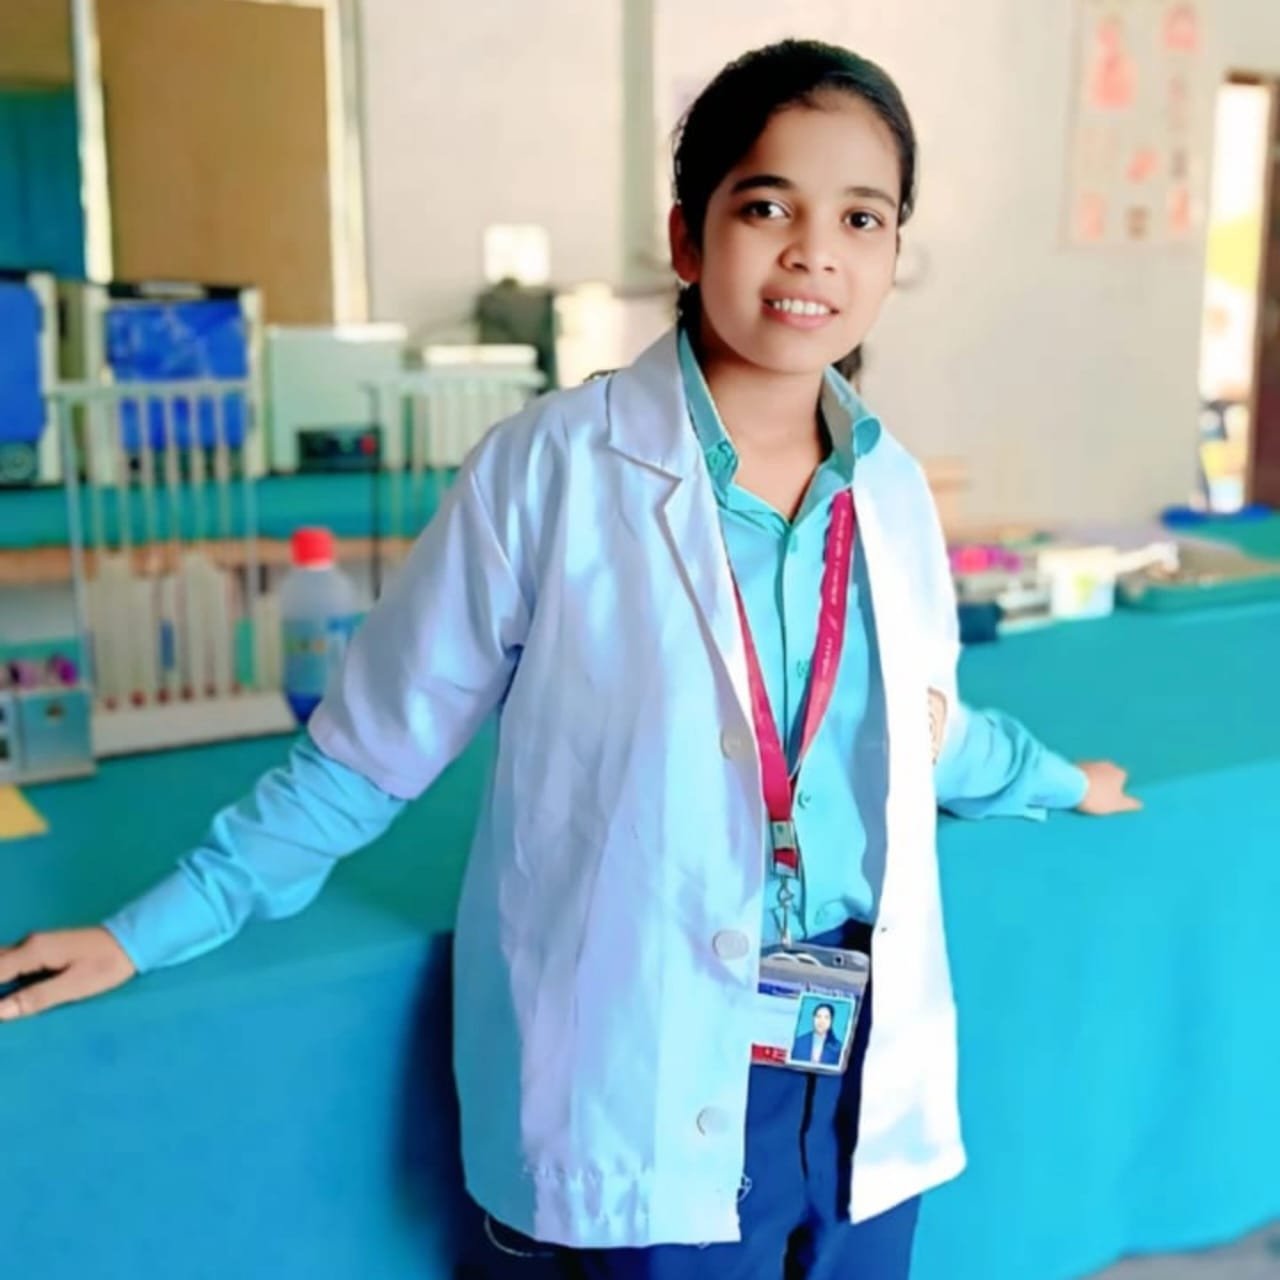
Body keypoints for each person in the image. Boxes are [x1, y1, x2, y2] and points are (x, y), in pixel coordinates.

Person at [0, 39, 1141, 1280]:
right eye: (767, 206)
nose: (814, 251)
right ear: (688, 236)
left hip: (856, 1076)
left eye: (860, 217)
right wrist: (146, 929)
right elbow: (365, 756)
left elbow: (922, 728)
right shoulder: (546, 469)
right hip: (645, 1075)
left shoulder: (892, 489)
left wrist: (1057, 779)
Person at [791, 1002, 844, 1068]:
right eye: (818, 1016)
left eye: (826, 1017)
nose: (821, 1021)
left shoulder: (839, 1048)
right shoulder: (798, 1042)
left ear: (831, 1021)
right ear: (813, 1018)